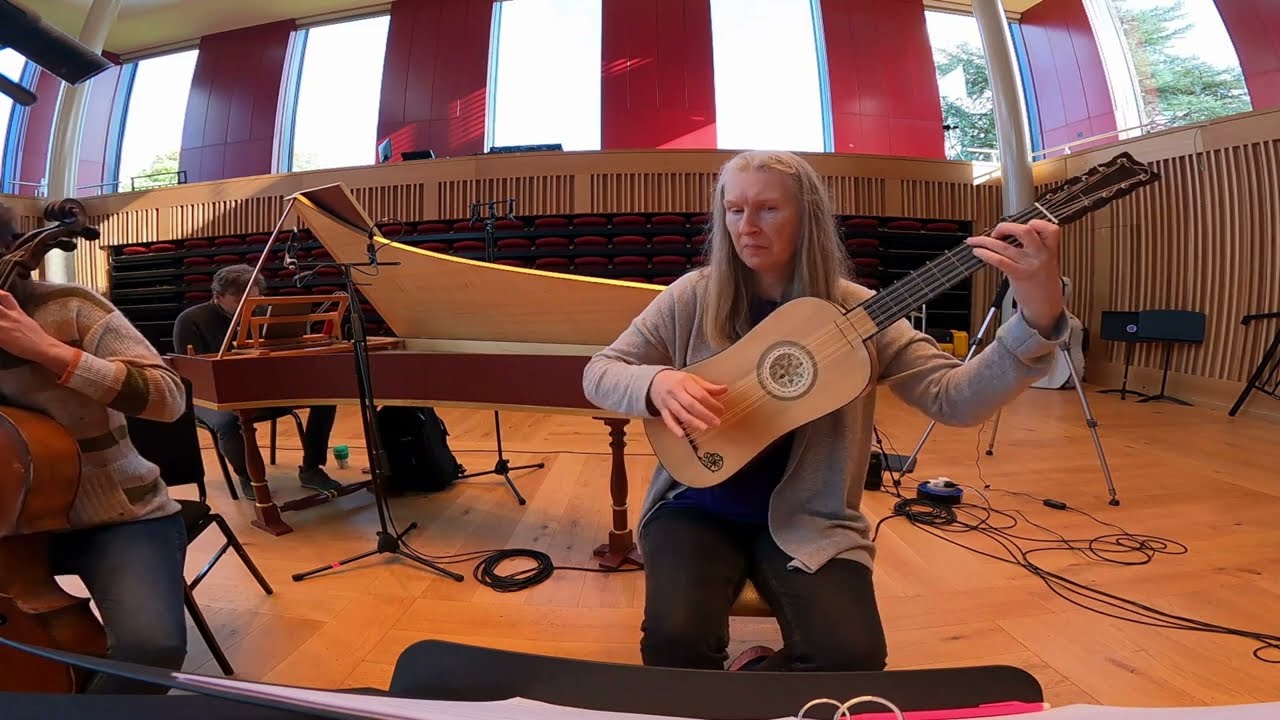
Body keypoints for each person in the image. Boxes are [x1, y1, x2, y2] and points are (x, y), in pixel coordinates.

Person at [582, 150, 1068, 673]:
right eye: (734, 209)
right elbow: (601, 371)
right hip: (694, 505)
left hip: (811, 519)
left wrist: (1038, 314)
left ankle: (746, 686)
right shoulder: (692, 298)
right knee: (674, 646)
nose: (747, 227)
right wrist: (655, 382)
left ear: (807, 215)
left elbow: (955, 399)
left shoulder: (860, 311)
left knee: (850, 659)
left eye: (768, 209)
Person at [0, 202, 189, 693]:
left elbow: (169, 399)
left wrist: (46, 350)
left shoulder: (70, 306)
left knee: (152, 648)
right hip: (8, 528)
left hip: (117, 516)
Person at [172, 264, 341, 496]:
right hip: (208, 396)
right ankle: (249, 476)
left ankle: (311, 468)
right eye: (238, 300)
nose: (249, 306)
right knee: (228, 421)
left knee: (325, 399)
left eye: (254, 298)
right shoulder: (190, 320)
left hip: (257, 387)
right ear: (217, 296)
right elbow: (192, 375)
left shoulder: (262, 313)